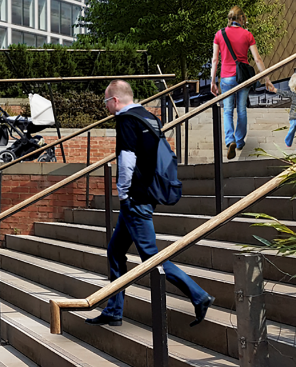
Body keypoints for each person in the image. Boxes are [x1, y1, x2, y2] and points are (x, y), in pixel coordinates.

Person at [86, 80, 215, 327]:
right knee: (115, 252)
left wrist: (122, 193)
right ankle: (114, 310)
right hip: (146, 196)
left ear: (114, 100)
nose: (105, 108)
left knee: (152, 257)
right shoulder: (149, 117)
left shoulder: (126, 120)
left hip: (136, 200)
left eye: (105, 102)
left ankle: (198, 295)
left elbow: (126, 160)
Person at [210, 6, 275, 160]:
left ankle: (229, 140)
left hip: (226, 77)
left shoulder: (219, 34)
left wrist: (213, 81)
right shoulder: (248, 35)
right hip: (243, 77)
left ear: (229, 19)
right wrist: (266, 78)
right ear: (241, 19)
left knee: (227, 110)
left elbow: (215, 60)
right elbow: (257, 59)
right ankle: (239, 141)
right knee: (241, 109)